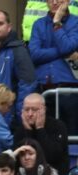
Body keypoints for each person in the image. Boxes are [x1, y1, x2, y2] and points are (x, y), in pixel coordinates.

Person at [30, 0, 78, 134]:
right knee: (46, 138)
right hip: (44, 90)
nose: (55, 2)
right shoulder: (38, 24)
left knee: (71, 137)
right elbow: (34, 55)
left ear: (68, 1)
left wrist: (57, 22)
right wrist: (62, 52)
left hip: (70, 91)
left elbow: (67, 46)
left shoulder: (76, 22)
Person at [13, 93, 70, 175]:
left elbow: (51, 156)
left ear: (44, 110)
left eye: (34, 110)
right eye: (27, 110)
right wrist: (28, 131)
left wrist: (40, 129)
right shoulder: (20, 130)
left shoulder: (58, 126)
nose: (30, 114)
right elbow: (18, 161)